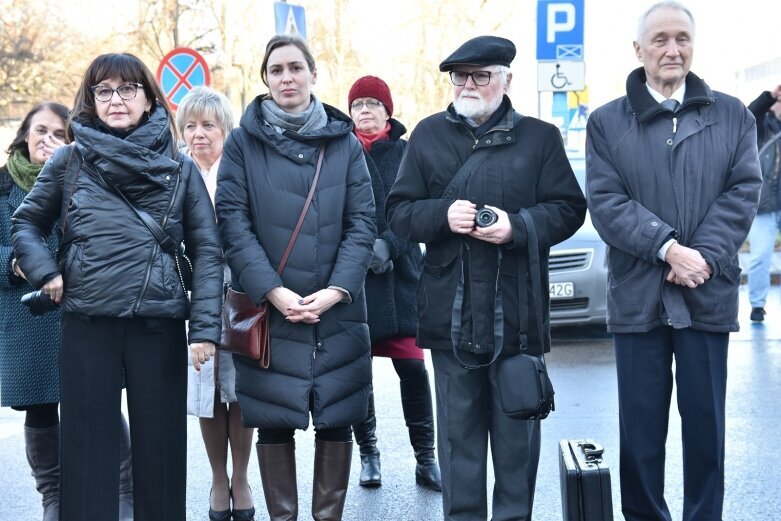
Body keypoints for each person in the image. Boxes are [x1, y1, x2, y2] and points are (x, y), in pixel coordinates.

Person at [11, 53, 224, 521]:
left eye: (127, 89)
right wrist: (46, 271)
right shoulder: (68, 160)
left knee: (161, 455)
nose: (115, 99)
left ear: (149, 99)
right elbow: (26, 223)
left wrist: (205, 328)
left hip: (158, 325)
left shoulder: (180, 166)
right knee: (86, 457)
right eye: (103, 90)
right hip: (88, 324)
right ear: (91, 100)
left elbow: (209, 251)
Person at [385, 36, 586, 520]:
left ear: (506, 79)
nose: (469, 85)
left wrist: (519, 226)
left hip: (517, 322)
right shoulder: (429, 136)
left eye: (481, 75)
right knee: (458, 449)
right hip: (449, 324)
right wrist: (441, 215)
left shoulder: (540, 137)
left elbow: (569, 209)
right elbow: (397, 212)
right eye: (461, 76)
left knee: (518, 450)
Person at [585, 3, 762, 520]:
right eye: (659, 39)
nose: (672, 49)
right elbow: (606, 201)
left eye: (681, 38)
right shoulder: (606, 122)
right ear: (637, 50)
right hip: (639, 293)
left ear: (694, 45)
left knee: (706, 427)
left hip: (706, 290)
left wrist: (700, 257)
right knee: (640, 430)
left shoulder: (732, 115)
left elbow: (743, 191)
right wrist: (667, 247)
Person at [216, 35, 375, 521]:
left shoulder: (344, 143)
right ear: (265, 79)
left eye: (295, 68)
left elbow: (363, 222)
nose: (286, 77)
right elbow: (233, 224)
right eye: (276, 70)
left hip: (338, 309)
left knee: (337, 420)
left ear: (312, 75)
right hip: (270, 307)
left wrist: (334, 291)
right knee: (273, 422)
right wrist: (274, 291)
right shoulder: (242, 143)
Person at [1, 102, 134, 521]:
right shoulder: (2, 188)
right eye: (40, 130)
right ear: (24, 134)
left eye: (59, 133)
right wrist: (15, 263)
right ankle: (53, 498)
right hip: (26, 314)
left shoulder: (84, 178)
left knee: (99, 397)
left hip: (84, 307)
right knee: (41, 406)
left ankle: (123, 491)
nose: (48, 139)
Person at [345, 75, 442, 491]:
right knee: (356, 375)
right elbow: (334, 209)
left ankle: (426, 458)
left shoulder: (407, 152)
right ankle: (369, 455)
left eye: (372, 104)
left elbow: (420, 207)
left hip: (402, 280)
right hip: (356, 280)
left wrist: (391, 244)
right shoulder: (340, 151)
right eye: (358, 105)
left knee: (413, 371)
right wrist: (364, 250)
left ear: (388, 110)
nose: (364, 111)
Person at [176, 86, 255, 521]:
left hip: (239, 291)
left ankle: (241, 477)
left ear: (225, 129)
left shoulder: (240, 172)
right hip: (192, 294)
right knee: (205, 390)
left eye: (208, 125)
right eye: (190, 125)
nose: (199, 134)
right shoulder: (175, 172)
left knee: (238, 389)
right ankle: (217, 478)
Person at [746, 84, 781, 322]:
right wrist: (770, 96)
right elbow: (750, 113)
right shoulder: (761, 125)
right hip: (765, 203)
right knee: (760, 256)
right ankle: (757, 306)